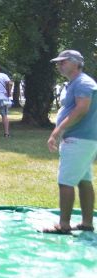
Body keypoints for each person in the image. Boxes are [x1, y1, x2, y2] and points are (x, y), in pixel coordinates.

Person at [43, 49, 96, 234]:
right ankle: (87, 223)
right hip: (84, 139)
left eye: (63, 62)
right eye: (58, 62)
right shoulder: (76, 82)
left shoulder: (82, 82)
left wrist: (57, 131)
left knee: (65, 182)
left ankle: (63, 225)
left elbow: (82, 109)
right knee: (84, 180)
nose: (59, 65)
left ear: (76, 63)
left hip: (78, 139)